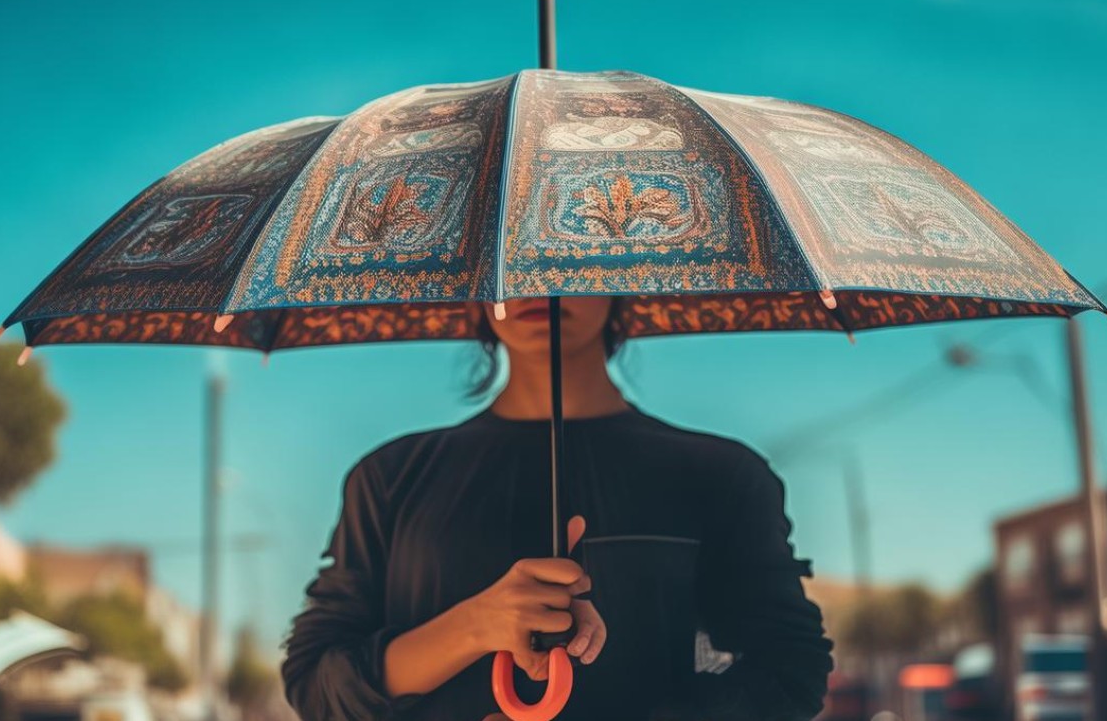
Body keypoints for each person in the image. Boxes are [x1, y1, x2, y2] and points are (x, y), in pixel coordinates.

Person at [282, 296, 834, 721]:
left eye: (565, 261)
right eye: (512, 263)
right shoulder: (389, 478)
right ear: (479, 289)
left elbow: (789, 672)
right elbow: (316, 683)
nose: (537, 286)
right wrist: (474, 626)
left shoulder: (721, 475)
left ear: (616, 281)